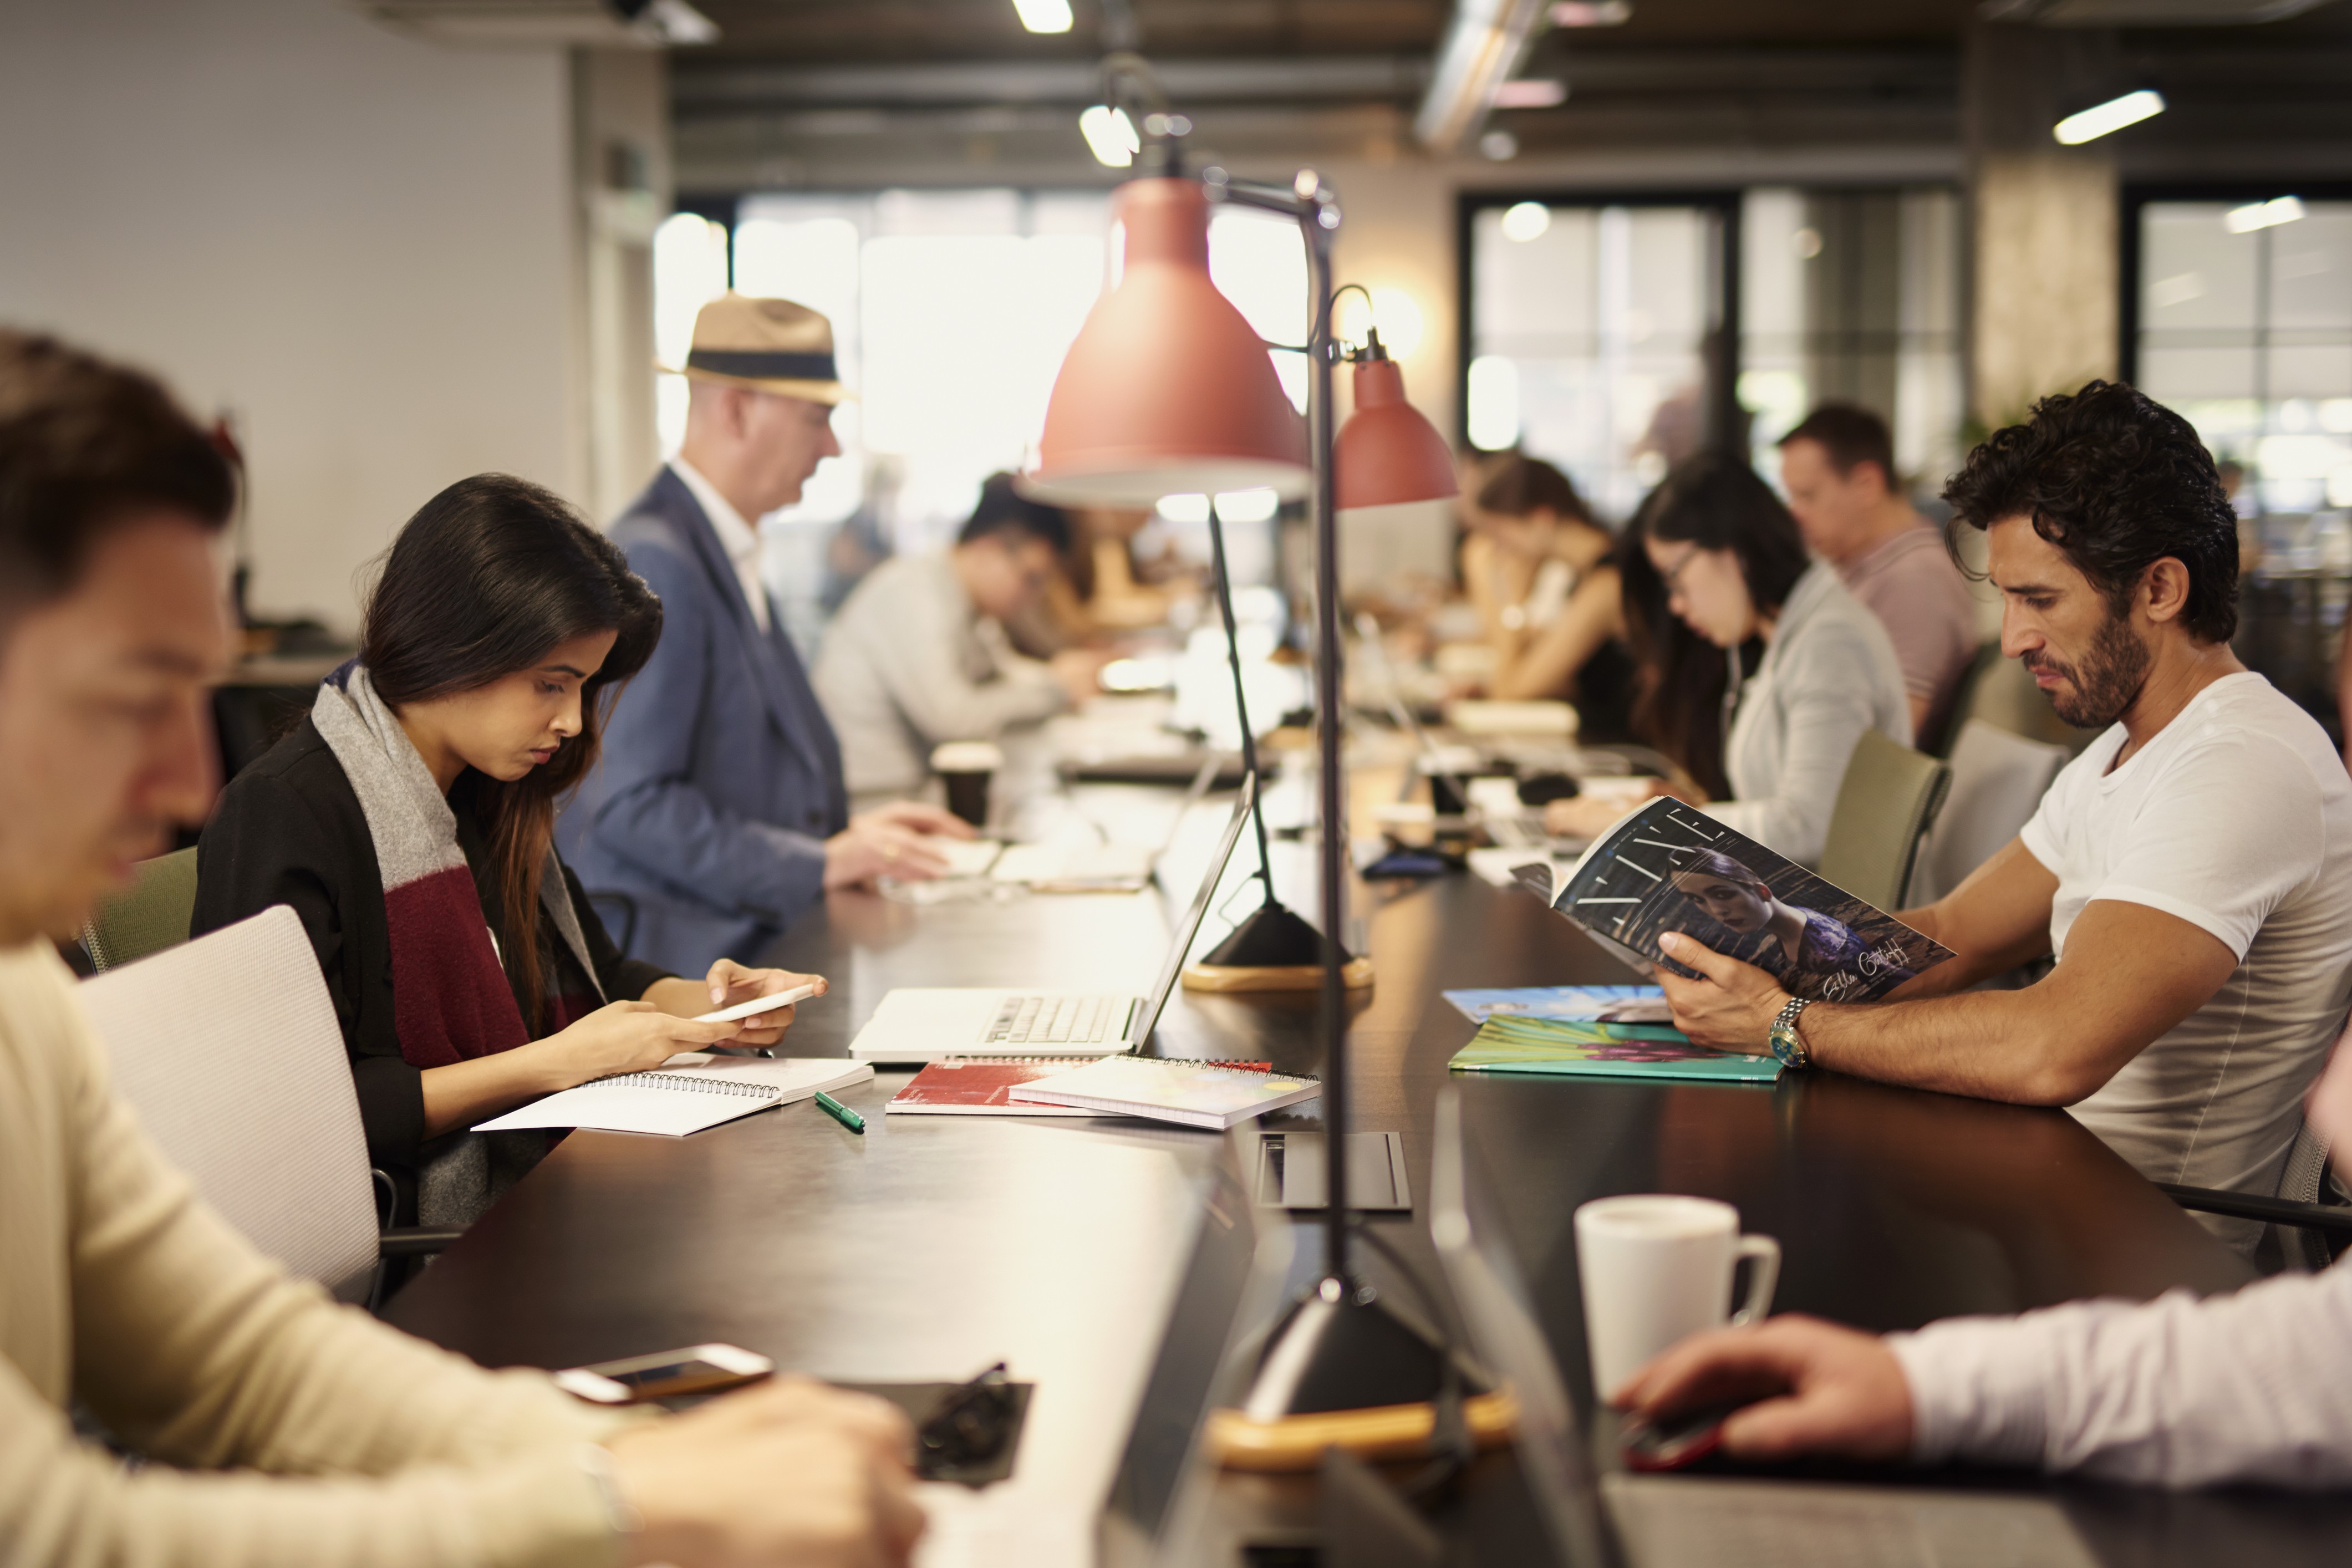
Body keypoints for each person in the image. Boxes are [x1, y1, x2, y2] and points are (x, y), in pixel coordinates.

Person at [0, 329, 922, 1566]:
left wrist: (617, 1454)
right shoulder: (291, 811)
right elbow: (60, 1532)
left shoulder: (27, 998)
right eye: (130, 694)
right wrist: (617, 1501)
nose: (186, 778)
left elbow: (237, 1362)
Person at [1654, 381, 2352, 1236]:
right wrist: (1751, 946)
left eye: (2039, 600)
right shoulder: (2126, 750)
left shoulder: (2242, 764)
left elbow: (2053, 1044)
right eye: (2008, 599)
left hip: (2138, 1243)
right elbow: (1950, 934)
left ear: (2160, 589)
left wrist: (1785, 1023)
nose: (2012, 637)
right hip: (2037, 1176)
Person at [195, 475, 826, 1227]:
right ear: (454, 646)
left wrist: (720, 1007)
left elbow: (600, 977)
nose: (572, 722)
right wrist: (553, 1063)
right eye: (551, 685)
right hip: (404, 1237)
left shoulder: (486, 793)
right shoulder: (287, 810)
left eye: (583, 689)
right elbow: (294, 1113)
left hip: (530, 1204)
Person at [1617, 1026, 2352, 1488]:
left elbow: (2049, 1051)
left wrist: (1791, 1022)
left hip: (2135, 1225)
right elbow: (2320, 1354)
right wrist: (1916, 1387)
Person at [560, 294, 971, 975]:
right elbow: (631, 805)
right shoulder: (659, 557)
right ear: (737, 410)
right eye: (817, 418)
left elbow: (736, 769)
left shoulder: (720, 546)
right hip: (687, 964)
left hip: (742, 944)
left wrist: (848, 839)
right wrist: (818, 861)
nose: (832, 446)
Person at [1546, 453, 1911, 867]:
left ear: (1733, 549)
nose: (1677, 605)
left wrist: (1640, 824)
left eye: (1675, 577)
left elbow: (1807, 827)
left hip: (1831, 901)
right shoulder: (1794, 634)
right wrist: (1694, 813)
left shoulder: (1830, 643)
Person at [816, 472, 1109, 799]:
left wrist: (1056, 678)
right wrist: (1056, 689)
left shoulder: (965, 602)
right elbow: (952, 720)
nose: (1034, 596)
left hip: (917, 789)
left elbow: (1005, 675)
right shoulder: (915, 593)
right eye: (1032, 578)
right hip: (875, 799)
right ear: (987, 550)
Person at [1778, 405, 1978, 748]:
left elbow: (1886, 742)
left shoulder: (1915, 582)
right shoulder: (1866, 569)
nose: (1794, 514)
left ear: (1866, 485)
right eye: (1791, 497)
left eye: (1807, 495)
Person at [1458, 454, 1627, 705]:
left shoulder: (1606, 584)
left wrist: (1503, 594)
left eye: (1500, 534)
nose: (1499, 550)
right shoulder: (1568, 572)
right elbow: (1532, 656)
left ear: (1541, 518)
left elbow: (1513, 690)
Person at [1667, 849, 1896, 992]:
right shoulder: (1792, 928)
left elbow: (1892, 982)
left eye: (1722, 894)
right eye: (1698, 899)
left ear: (1763, 891)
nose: (1717, 911)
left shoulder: (1823, 943)